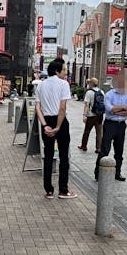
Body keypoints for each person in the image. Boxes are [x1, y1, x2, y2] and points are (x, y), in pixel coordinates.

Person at [34, 58, 77, 199]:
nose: (65, 72)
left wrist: (45, 125)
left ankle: (49, 190)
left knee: (48, 155)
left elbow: (38, 107)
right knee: (64, 157)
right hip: (60, 121)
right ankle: (63, 190)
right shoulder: (64, 84)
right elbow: (62, 108)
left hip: (46, 121)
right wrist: (58, 126)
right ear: (57, 71)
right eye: (64, 69)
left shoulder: (41, 85)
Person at [94, 74, 127, 181]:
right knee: (105, 149)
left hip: (121, 125)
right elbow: (109, 109)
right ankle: (98, 173)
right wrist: (123, 108)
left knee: (119, 151)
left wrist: (117, 110)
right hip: (110, 124)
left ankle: (117, 173)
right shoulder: (109, 94)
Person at [78, 77, 103, 153]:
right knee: (99, 132)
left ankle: (84, 146)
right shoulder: (101, 91)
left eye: (89, 83)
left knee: (87, 131)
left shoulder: (89, 92)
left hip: (91, 115)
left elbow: (86, 105)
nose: (88, 84)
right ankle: (99, 148)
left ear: (91, 84)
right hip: (100, 115)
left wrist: (84, 115)